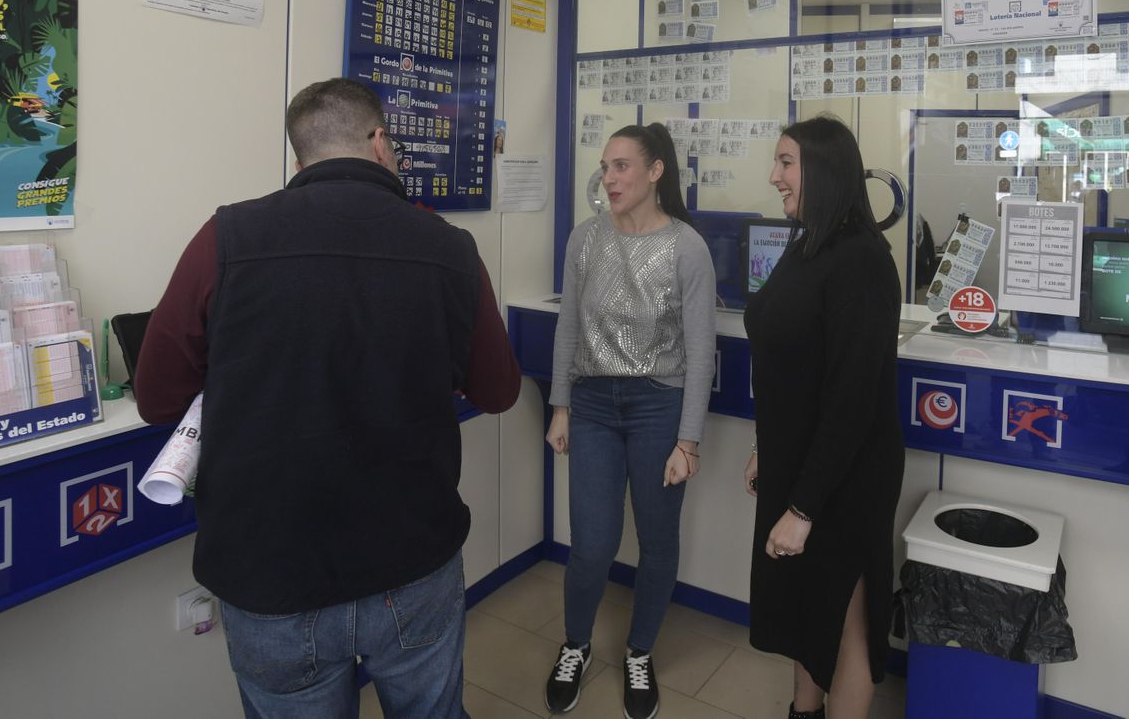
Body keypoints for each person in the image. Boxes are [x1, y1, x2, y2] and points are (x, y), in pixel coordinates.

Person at [135, 78, 521, 719]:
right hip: (412, 560)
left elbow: (157, 396)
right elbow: (499, 390)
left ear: (299, 160)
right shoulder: (449, 249)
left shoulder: (227, 238)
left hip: (273, 575)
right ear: (379, 142)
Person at [543, 123, 716, 719]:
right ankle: (577, 644)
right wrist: (559, 406)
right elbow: (568, 327)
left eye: (621, 166)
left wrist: (687, 441)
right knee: (591, 543)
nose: (609, 178)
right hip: (590, 404)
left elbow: (700, 352)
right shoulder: (584, 239)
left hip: (657, 407)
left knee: (657, 540)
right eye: (605, 167)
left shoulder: (686, 246)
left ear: (654, 172)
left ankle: (639, 652)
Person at [742, 115, 904, 719]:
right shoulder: (806, 242)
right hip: (799, 462)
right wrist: (767, 445)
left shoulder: (862, 261)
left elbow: (852, 399)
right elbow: (786, 365)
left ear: (824, 169)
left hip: (844, 478)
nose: (774, 176)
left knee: (844, 624)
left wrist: (804, 507)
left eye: (786, 162)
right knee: (804, 615)